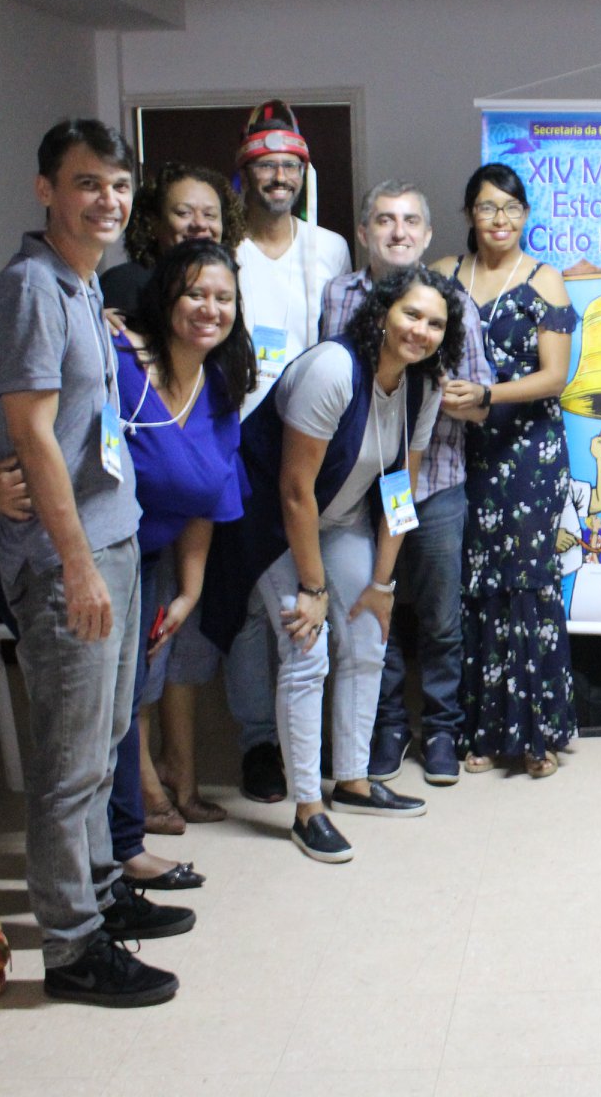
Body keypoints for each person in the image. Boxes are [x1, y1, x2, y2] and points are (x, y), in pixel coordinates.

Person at [0, 118, 184, 1006]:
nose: (108, 200)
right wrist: (76, 565)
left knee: (102, 743)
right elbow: (29, 434)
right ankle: (71, 949)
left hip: (112, 537)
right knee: (69, 764)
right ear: (47, 191)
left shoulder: (79, 285)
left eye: (119, 185)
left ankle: (102, 895)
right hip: (71, 556)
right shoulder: (31, 288)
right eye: (88, 183)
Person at [203, 266, 461, 862]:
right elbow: (294, 491)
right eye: (411, 314)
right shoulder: (333, 369)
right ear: (381, 313)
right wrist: (314, 590)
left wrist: (382, 585)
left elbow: (401, 490)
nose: (421, 331)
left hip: (339, 521)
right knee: (307, 645)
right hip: (272, 523)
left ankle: (352, 781)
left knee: (370, 632)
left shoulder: (423, 386)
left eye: (435, 324)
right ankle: (306, 810)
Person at [320, 181, 493, 787]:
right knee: (375, 607)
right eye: (385, 220)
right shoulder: (338, 295)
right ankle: (387, 724)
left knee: (442, 618)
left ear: (427, 234)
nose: (399, 232)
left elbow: (482, 402)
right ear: (363, 231)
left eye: (411, 221)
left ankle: (442, 727)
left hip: (435, 482)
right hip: (364, 490)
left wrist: (454, 398)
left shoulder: (454, 301)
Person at [105, 238, 254, 890]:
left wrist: (189, 591)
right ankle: (112, 849)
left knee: (129, 690)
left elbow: (208, 494)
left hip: (143, 559)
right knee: (105, 705)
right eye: (195, 293)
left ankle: (123, 843)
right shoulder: (118, 360)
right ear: (166, 295)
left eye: (223, 298)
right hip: (87, 553)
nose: (209, 309)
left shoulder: (218, 387)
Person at [432, 164, 579, 779]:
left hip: (529, 453)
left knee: (526, 581)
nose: (500, 219)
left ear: (526, 215)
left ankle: (538, 732)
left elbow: (555, 377)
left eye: (512, 208)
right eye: (488, 207)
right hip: (457, 451)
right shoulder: (444, 274)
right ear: (469, 213)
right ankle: (487, 730)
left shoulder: (546, 279)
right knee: (476, 584)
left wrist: (488, 396)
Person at [229, 100, 351, 804]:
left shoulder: (329, 247)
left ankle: (312, 733)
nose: (279, 177)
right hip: (239, 442)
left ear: (303, 173)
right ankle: (258, 742)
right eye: (266, 166)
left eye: (290, 167)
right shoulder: (226, 246)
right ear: (246, 171)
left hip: (311, 443)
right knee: (254, 602)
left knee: (313, 593)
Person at [100, 161, 243, 316]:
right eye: (184, 213)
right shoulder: (127, 283)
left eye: (210, 215)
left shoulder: (230, 284)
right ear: (153, 223)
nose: (200, 223)